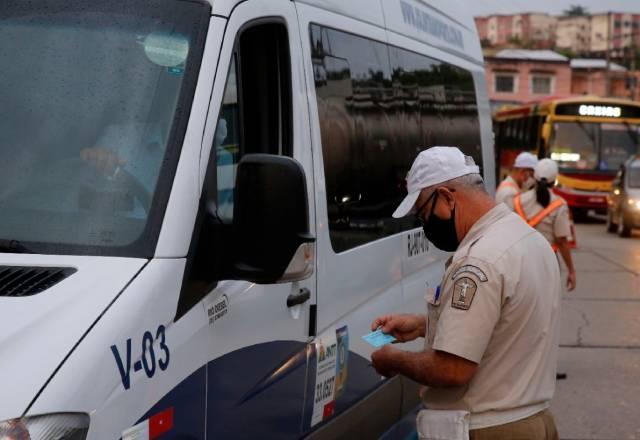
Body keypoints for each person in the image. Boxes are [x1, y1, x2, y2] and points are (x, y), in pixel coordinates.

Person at [371, 146, 561, 439]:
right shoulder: (526, 239)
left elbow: (452, 369)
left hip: (489, 428)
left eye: (423, 213)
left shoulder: (479, 259)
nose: (425, 225)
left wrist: (393, 360)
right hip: (532, 419)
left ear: (447, 197)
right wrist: (424, 325)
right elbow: (508, 321)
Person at [508, 158, 576, 291]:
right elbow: (561, 241)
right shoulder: (559, 205)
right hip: (547, 261)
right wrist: (571, 270)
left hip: (520, 259)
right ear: (555, 180)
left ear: (535, 177)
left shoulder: (518, 200)